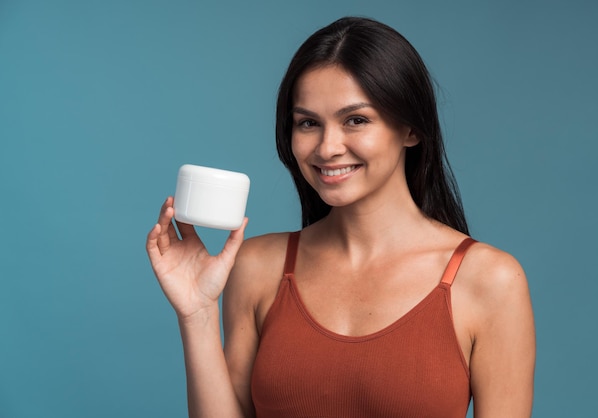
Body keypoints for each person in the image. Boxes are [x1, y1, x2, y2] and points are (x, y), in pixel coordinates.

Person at [146, 16, 535, 418]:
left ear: (410, 130)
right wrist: (197, 314)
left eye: (356, 120)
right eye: (308, 123)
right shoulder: (257, 266)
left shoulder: (491, 282)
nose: (327, 147)